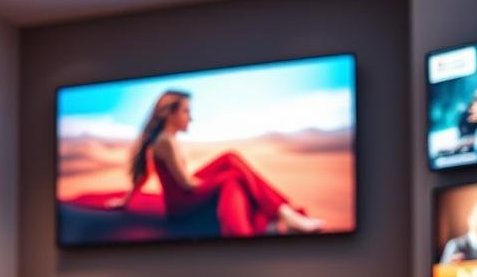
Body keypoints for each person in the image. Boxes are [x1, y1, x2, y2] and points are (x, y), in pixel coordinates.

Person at [107, 91, 323, 236]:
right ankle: (276, 216)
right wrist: (216, 180)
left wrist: (126, 200)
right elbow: (186, 185)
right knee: (231, 174)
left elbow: (145, 175)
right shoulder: (165, 142)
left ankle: (278, 217)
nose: (190, 118)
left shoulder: (165, 140)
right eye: (186, 111)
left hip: (182, 198)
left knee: (230, 160)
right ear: (171, 114)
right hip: (181, 205)